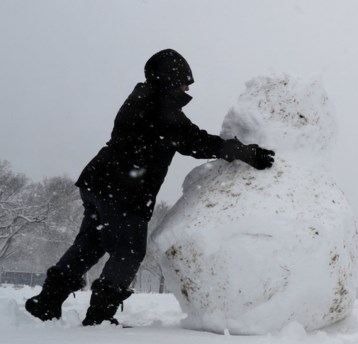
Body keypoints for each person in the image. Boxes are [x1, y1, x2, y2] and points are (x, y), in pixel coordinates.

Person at [25, 49, 274, 326]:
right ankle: (99, 316)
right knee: (129, 251)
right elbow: (195, 141)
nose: (188, 87)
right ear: (169, 79)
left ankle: (46, 302)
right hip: (123, 190)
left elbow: (184, 137)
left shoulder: (142, 98)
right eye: (184, 80)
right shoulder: (161, 106)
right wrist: (244, 152)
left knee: (91, 242)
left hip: (98, 182)